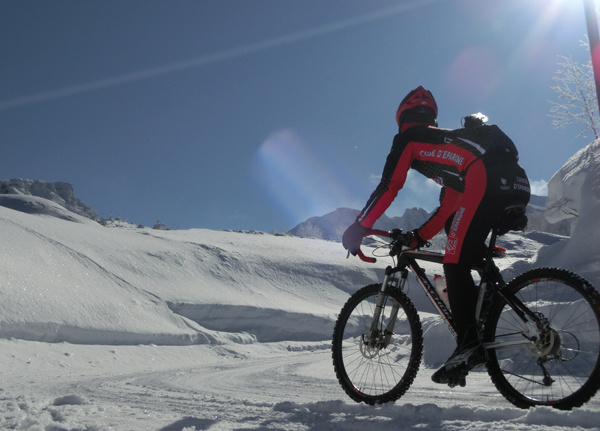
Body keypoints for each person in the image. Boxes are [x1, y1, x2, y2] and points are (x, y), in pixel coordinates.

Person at [342, 86, 531, 387]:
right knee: (457, 231)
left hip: (484, 179)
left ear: (402, 118)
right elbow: (450, 206)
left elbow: (390, 186)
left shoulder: (408, 139)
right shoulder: (452, 144)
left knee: (453, 260)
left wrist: (359, 226)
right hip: (517, 183)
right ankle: (491, 300)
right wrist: (419, 237)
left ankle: (469, 343)